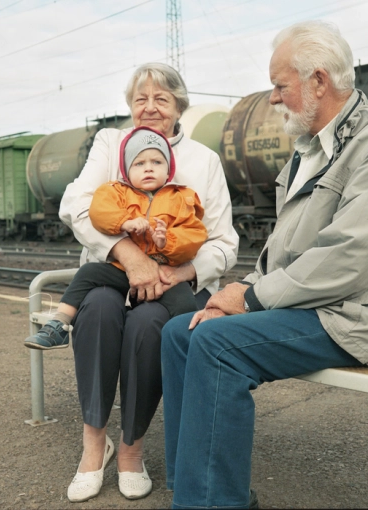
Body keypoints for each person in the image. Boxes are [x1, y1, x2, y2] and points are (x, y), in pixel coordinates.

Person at [161, 20, 368, 509]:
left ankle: (209, 503)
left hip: (350, 312)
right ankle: (193, 487)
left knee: (215, 344)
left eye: (280, 87)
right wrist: (235, 294)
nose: (273, 99)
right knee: (181, 332)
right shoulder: (310, 148)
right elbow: (281, 251)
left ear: (319, 81)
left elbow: (349, 257)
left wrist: (249, 297)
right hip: (313, 302)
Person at [58, 63, 239, 502]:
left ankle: (131, 450)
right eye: (141, 99)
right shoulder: (108, 143)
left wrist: (179, 272)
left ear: (179, 105)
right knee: (98, 311)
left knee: (146, 328)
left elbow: (224, 242)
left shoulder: (204, 160)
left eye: (162, 99)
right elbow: (76, 207)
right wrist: (129, 254)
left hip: (172, 283)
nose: (150, 107)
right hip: (113, 271)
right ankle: (93, 446)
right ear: (129, 106)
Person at [23, 126, 207, 350]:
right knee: (87, 273)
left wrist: (167, 240)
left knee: (186, 302)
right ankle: (60, 324)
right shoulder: (114, 191)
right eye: (139, 163)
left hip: (164, 274)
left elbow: (194, 234)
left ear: (169, 168)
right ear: (126, 169)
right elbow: (98, 212)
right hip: (122, 270)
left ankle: (186, 351)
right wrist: (124, 222)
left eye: (157, 162)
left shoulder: (182, 197)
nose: (148, 168)